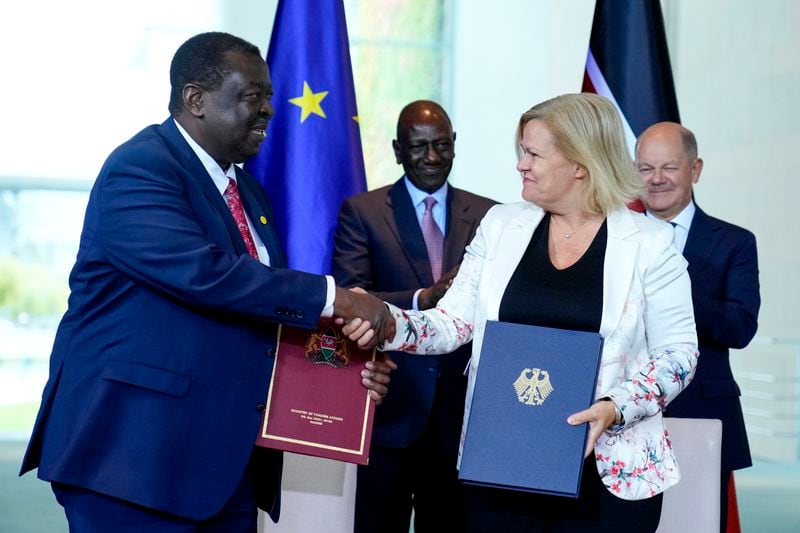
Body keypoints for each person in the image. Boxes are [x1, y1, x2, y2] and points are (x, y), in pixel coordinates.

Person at [19, 32, 396, 532]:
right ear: (196, 99)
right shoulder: (140, 169)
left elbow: (260, 311)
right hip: (133, 463)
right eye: (251, 96)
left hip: (222, 468)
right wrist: (337, 297)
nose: (267, 110)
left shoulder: (248, 192)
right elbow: (208, 277)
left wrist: (348, 365)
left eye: (268, 97)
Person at [346, 93, 698, 532]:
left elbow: (679, 355)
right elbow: (452, 323)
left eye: (532, 153)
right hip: (501, 465)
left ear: (580, 164)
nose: (520, 164)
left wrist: (614, 406)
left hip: (607, 473)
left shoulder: (650, 243)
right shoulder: (500, 226)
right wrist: (385, 320)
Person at [333, 100, 496, 533]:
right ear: (397, 149)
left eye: (442, 145)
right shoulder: (363, 212)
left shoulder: (490, 217)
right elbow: (353, 297)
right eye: (419, 147)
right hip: (391, 403)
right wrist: (424, 298)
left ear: (455, 145)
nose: (432, 157)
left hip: (463, 412)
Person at [635, 121, 760, 532]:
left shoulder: (734, 242)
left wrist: (672, 287)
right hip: (627, 416)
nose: (655, 180)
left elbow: (740, 327)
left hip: (702, 412)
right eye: (644, 168)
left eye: (668, 167)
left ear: (696, 169)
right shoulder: (616, 236)